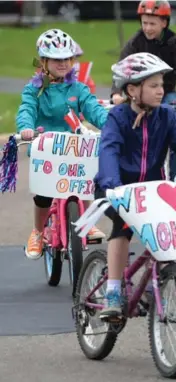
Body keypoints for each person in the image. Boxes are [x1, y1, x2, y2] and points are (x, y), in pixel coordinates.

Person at [94, 53, 176, 319]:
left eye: (162, 84)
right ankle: (114, 291)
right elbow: (108, 153)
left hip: (151, 189)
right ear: (132, 90)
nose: (161, 90)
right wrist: (113, 188)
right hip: (116, 189)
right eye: (153, 85)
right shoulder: (117, 118)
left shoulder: (167, 117)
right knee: (123, 226)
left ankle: (159, 280)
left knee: (168, 225)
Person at [16, 28, 107, 260]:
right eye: (57, 59)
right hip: (45, 147)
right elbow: (26, 109)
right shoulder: (35, 89)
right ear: (44, 62)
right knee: (44, 194)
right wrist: (25, 127)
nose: (63, 63)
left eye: (68, 58)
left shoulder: (78, 88)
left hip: (74, 147)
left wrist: (110, 124)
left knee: (85, 179)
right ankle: (38, 231)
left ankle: (86, 221)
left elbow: (92, 108)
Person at [110, 0, 176, 183]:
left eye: (152, 24)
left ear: (164, 23)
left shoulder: (174, 42)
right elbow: (121, 69)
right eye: (144, 23)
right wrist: (116, 93)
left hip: (167, 95)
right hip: (140, 96)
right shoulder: (135, 42)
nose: (147, 28)